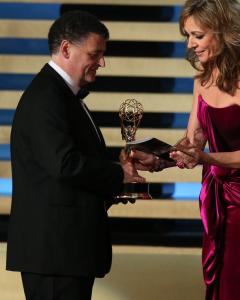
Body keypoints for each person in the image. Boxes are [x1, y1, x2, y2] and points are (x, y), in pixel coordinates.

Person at [130, 0, 240, 299]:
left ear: (224, 30)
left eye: (197, 36)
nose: (191, 44)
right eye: (187, 36)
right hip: (218, 195)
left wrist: (206, 159)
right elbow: (193, 143)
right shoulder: (203, 75)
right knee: (220, 284)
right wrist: (160, 159)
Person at [6, 10, 144, 300]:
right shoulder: (47, 98)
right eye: (95, 54)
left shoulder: (60, 95)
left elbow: (68, 164)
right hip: (55, 255)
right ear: (67, 48)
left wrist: (119, 169)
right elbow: (65, 165)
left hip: (64, 253)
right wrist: (120, 175)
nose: (102, 62)